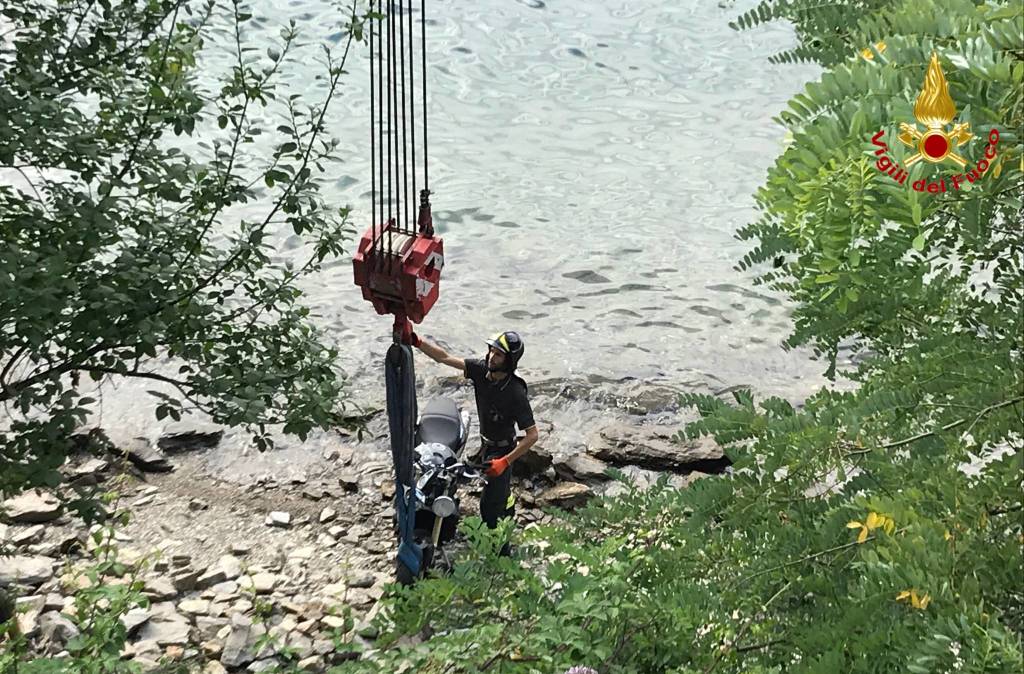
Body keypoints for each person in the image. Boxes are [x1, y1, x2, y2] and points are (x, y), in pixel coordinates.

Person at [410, 329, 539, 555]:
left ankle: (502, 553)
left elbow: (532, 435)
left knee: (489, 508)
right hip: (485, 445)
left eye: (498, 355)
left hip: (502, 451)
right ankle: (503, 506)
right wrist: (418, 342)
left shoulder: (515, 392)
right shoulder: (481, 371)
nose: (491, 357)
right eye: (491, 351)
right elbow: (444, 357)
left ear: (509, 361)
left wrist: (505, 462)